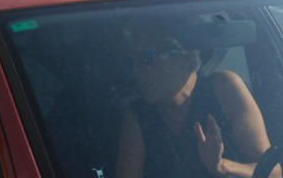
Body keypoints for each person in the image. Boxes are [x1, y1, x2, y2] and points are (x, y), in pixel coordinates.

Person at [116, 19, 279, 178]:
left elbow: (273, 172)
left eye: (146, 58)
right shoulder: (139, 117)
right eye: (133, 60)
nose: (136, 70)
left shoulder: (223, 89)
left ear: (183, 58)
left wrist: (223, 166)